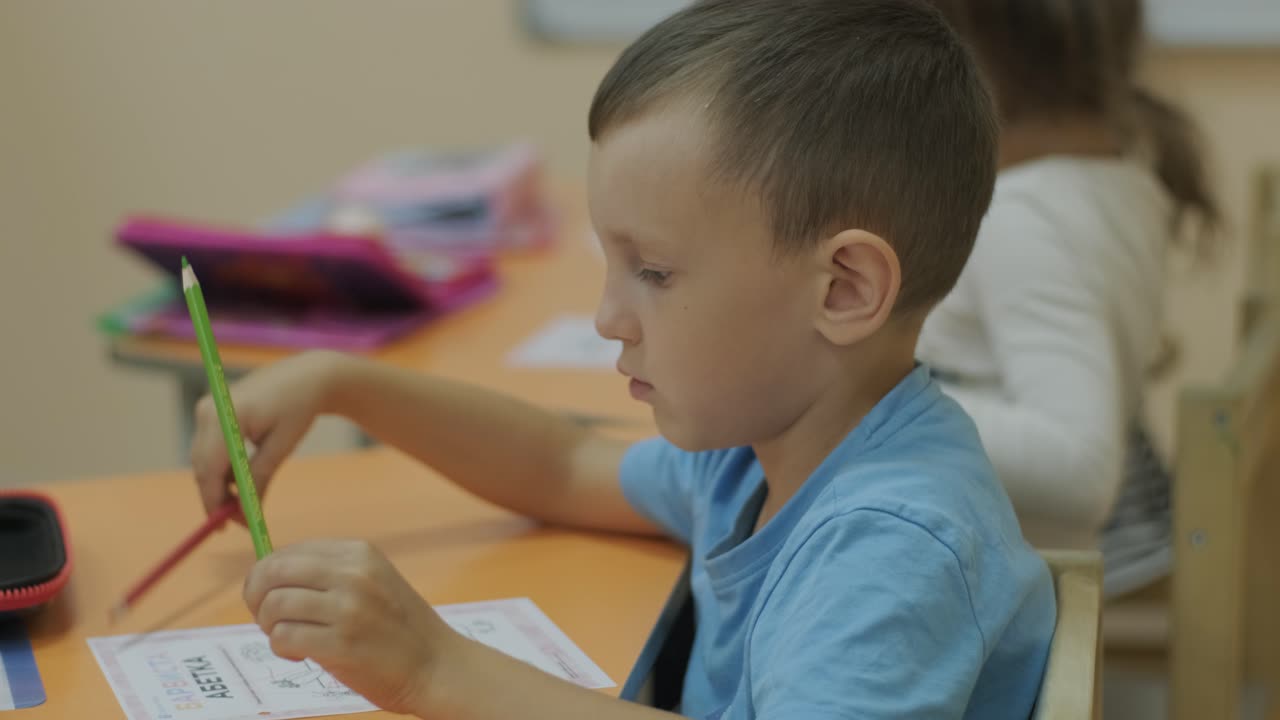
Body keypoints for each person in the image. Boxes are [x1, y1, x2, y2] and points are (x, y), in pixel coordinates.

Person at [190, 1, 1055, 717]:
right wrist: (345, 385)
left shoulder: (893, 549)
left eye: (653, 272)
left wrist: (433, 668)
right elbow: (562, 463)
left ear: (843, 290)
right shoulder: (760, 449)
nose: (609, 318)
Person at [917, 0, 1220, 596]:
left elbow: (1082, 467)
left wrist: (868, 393)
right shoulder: (1115, 173)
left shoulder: (1025, 215)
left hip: (1003, 586)